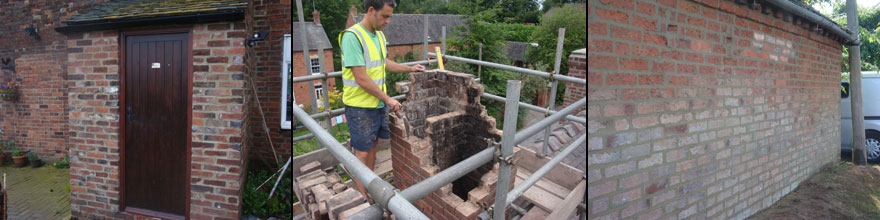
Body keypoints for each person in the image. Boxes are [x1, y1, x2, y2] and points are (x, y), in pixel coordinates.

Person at [339, 0, 425, 200]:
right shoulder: (352, 37)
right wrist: (388, 99)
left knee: (373, 146)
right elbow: (360, 78)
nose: (388, 21)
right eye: (385, 16)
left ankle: (370, 186)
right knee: (361, 153)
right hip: (360, 106)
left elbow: (383, 62)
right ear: (371, 11)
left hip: (376, 104)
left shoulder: (378, 35)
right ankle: (363, 197)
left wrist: (410, 68)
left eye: (389, 17)